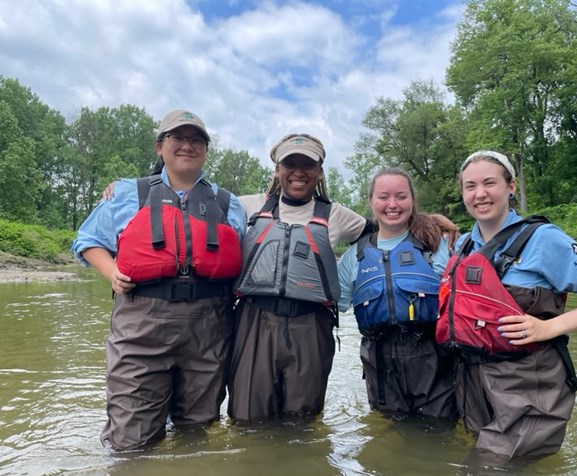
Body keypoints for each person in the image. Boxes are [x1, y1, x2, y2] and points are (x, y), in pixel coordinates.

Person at [72, 109, 247, 450]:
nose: (187, 145)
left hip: (209, 326)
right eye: (177, 138)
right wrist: (112, 273)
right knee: (130, 439)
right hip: (141, 324)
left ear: (207, 150)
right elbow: (87, 240)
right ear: (160, 147)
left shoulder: (231, 204)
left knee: (196, 432)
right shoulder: (125, 193)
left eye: (197, 139)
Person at [436, 150, 577, 461]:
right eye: (470, 186)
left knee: (488, 474)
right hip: (473, 381)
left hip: (527, 382)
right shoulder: (463, 245)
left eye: (489, 183)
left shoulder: (545, 239)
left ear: (511, 187)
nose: (480, 194)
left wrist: (548, 326)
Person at [227, 133, 369, 423]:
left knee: (302, 423)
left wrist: (431, 224)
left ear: (319, 172)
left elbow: (388, 225)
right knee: (247, 418)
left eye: (308, 165)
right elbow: (190, 201)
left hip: (311, 325)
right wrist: (123, 191)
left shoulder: (337, 215)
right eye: (290, 164)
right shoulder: (245, 206)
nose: (299, 172)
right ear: (277, 169)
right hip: (254, 321)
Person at [336, 167, 457, 420]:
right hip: (380, 364)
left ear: (412, 200)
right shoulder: (354, 257)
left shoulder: (437, 243)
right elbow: (334, 306)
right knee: (391, 438)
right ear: (371, 202)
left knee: (438, 434)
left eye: (401, 196)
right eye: (383, 197)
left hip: (434, 359)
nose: (393, 204)